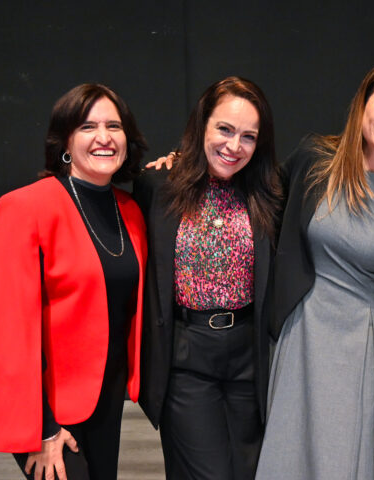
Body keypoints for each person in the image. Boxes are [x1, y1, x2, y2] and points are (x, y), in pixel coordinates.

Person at [255, 57, 374, 480]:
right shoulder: (316, 159)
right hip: (304, 333)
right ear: (363, 104)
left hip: (364, 345)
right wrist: (185, 164)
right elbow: (260, 200)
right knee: (292, 456)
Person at [0, 83, 149, 480]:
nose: (104, 137)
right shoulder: (25, 208)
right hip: (45, 410)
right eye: (88, 127)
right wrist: (43, 428)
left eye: (114, 126)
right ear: (65, 142)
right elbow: (9, 331)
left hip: (105, 400)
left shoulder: (131, 212)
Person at [133, 77, 282, 479]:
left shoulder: (268, 192)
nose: (235, 146)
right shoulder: (159, 186)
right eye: (225, 129)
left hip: (249, 357)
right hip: (187, 357)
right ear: (201, 125)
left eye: (248, 136)